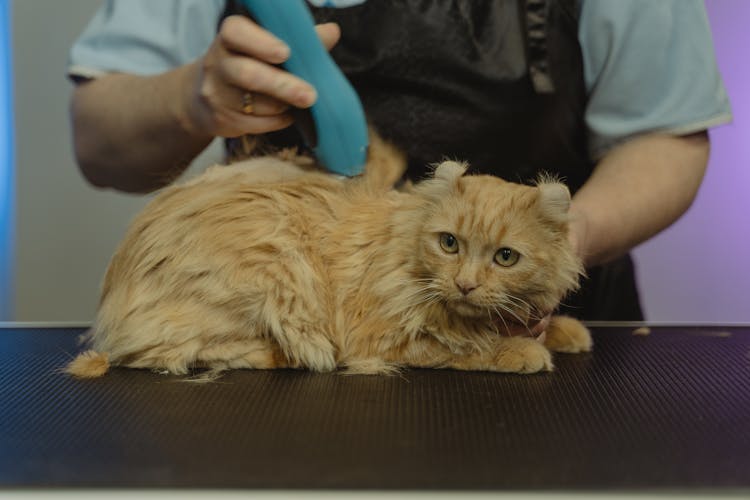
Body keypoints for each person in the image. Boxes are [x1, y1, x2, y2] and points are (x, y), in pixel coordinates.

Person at [67, 0, 732, 323]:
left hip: (547, 332)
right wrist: (192, 100)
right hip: (284, 335)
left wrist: (555, 248)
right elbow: (99, 144)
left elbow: (665, 139)